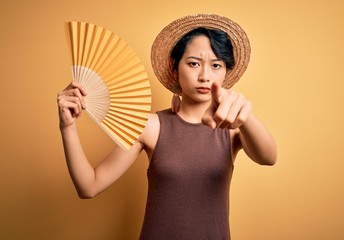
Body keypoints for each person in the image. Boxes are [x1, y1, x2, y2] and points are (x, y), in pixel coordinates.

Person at [57, 14, 277, 240]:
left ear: (225, 72)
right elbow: (89, 186)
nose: (204, 76)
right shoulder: (151, 126)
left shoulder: (233, 127)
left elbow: (269, 157)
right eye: (193, 63)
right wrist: (68, 127)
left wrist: (244, 113)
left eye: (216, 65)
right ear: (175, 67)